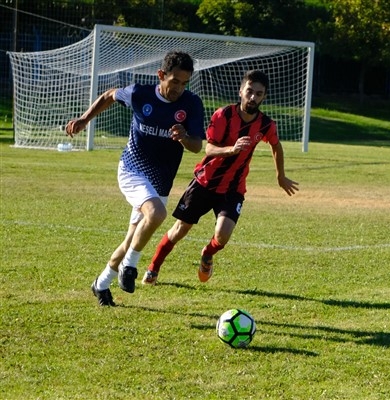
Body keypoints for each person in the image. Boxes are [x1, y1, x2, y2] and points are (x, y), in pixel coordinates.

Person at [65, 51, 205, 306]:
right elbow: (109, 95)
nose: (179, 88)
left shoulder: (192, 104)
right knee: (158, 213)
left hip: (160, 181)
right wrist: (85, 119)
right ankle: (129, 267)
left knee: (132, 239)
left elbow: (196, 146)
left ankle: (102, 283)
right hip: (132, 169)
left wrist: (184, 137)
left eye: (184, 83)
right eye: (175, 81)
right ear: (161, 75)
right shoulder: (140, 94)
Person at [141, 70, 298, 285]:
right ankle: (153, 268)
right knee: (180, 229)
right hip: (205, 183)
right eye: (250, 91)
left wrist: (281, 176)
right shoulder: (223, 115)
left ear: (264, 97)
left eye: (259, 94)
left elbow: (276, 146)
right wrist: (231, 150)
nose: (253, 97)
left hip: (233, 189)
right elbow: (209, 148)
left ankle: (207, 253)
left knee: (223, 235)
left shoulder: (266, 125)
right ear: (241, 91)